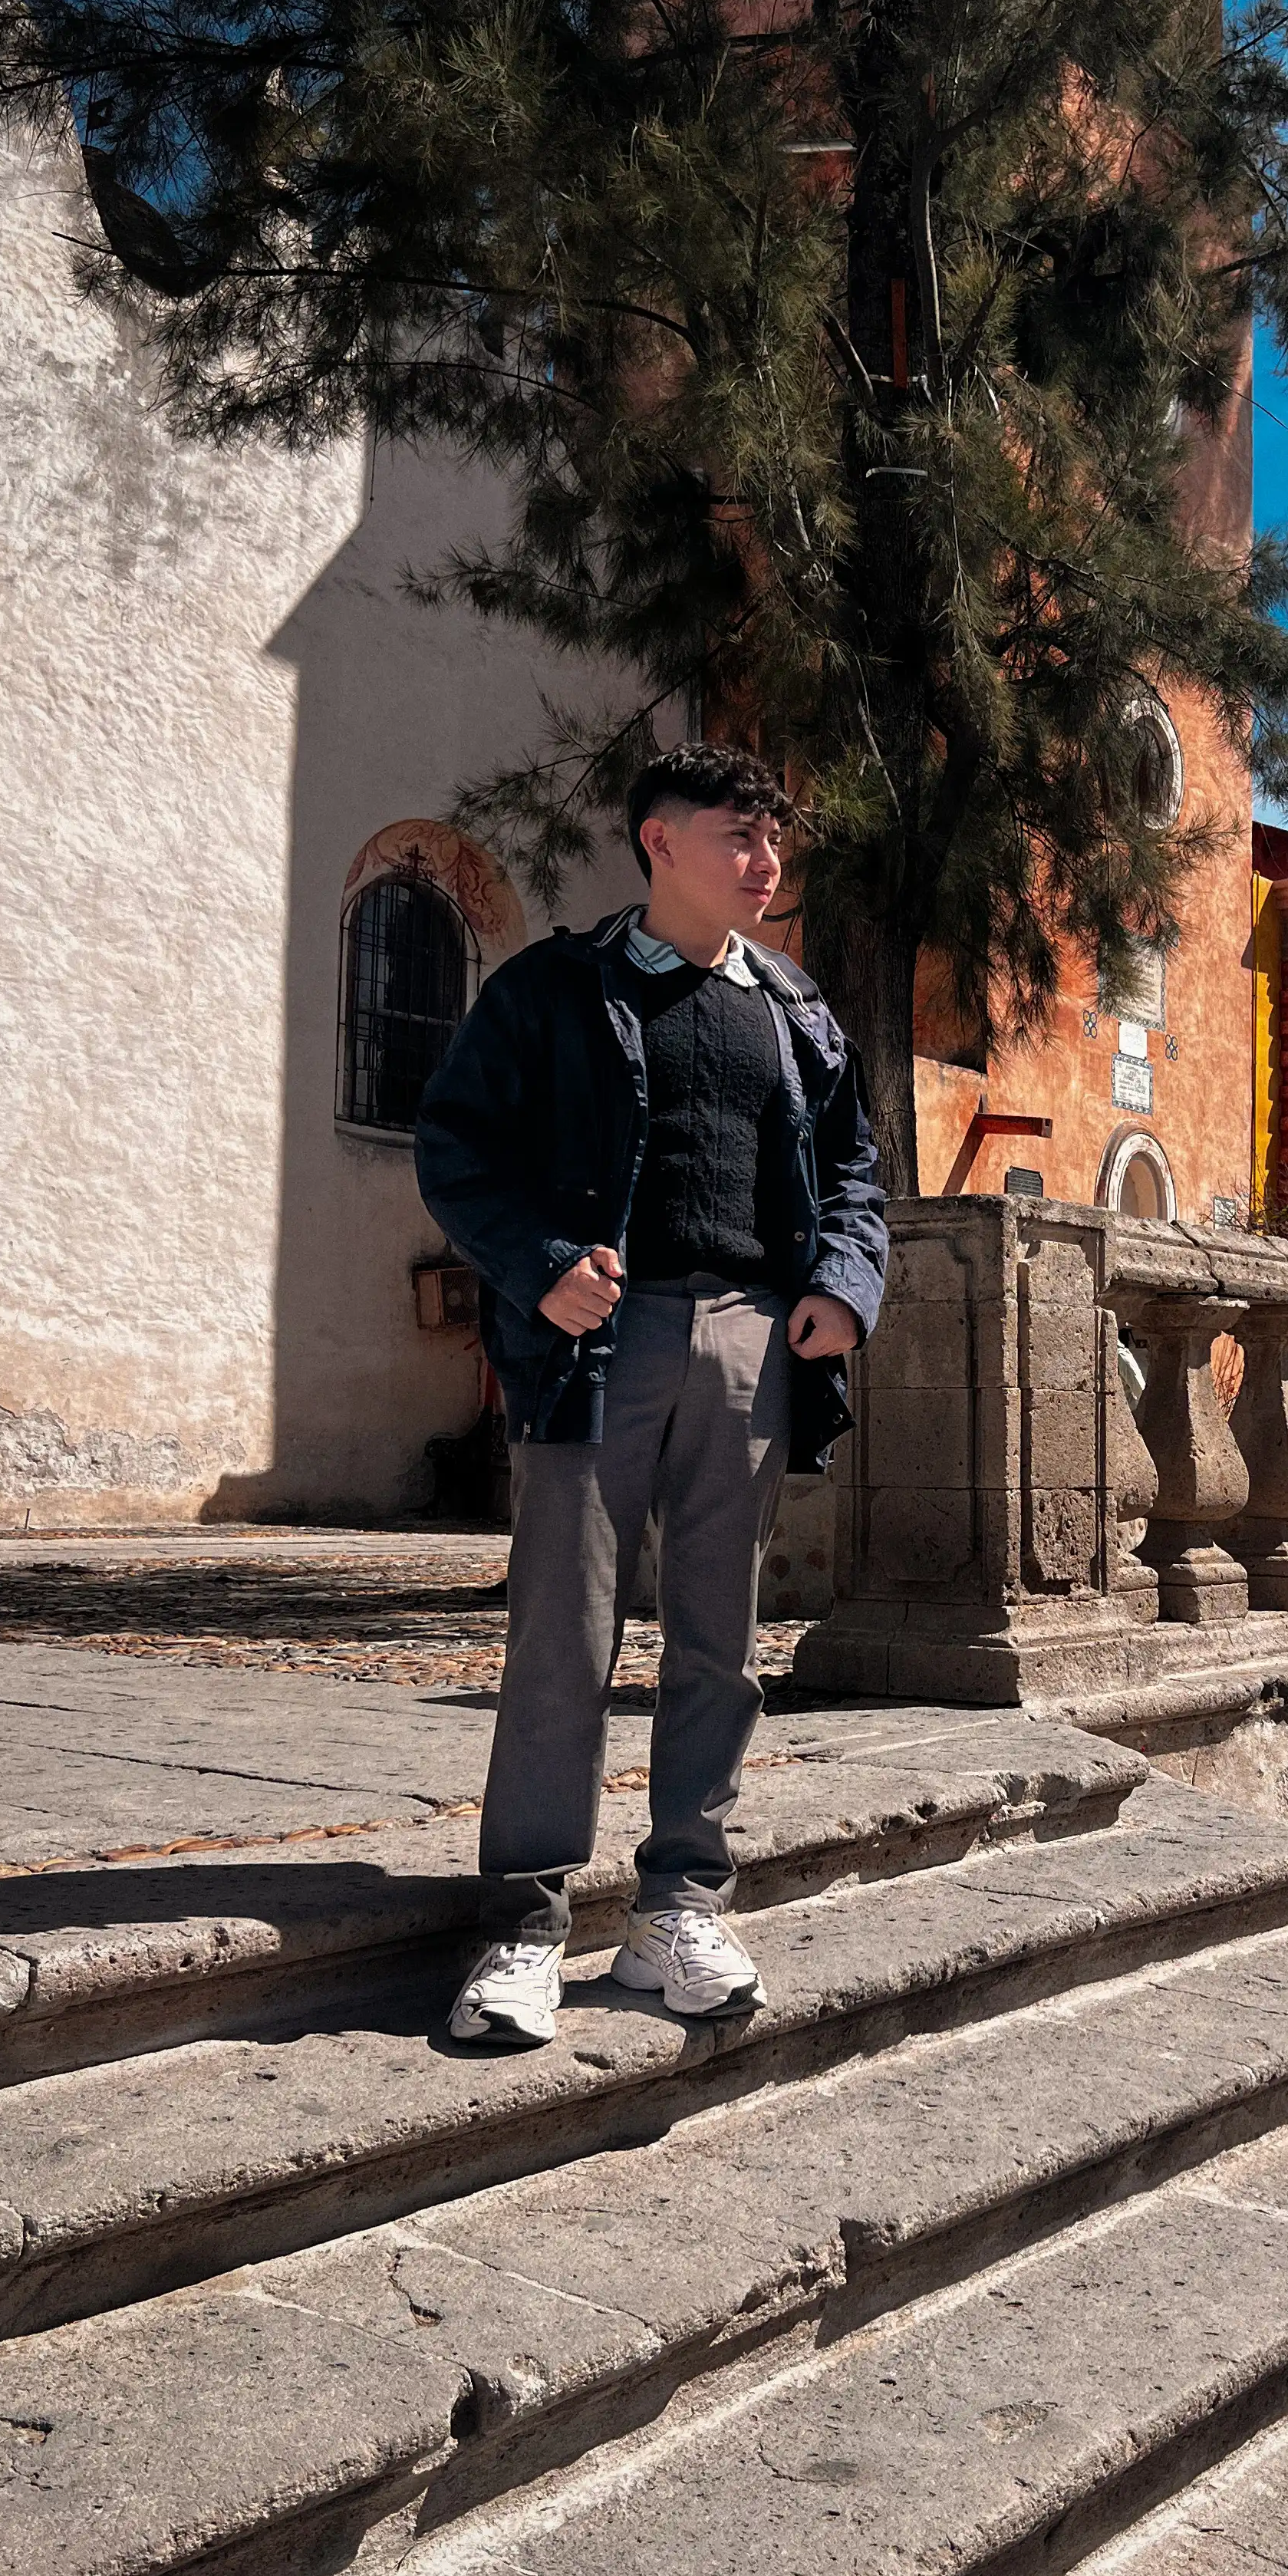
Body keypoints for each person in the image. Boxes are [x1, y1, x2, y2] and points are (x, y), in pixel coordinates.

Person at [413, 743, 886, 2043]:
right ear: (660, 842)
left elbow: (856, 1170)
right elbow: (455, 1148)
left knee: (719, 1645)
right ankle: (523, 1922)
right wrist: (539, 1268)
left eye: (774, 838)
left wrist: (844, 1287)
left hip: (749, 1347)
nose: (767, 861)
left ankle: (680, 1903)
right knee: (562, 1639)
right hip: (594, 1346)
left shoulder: (797, 1011)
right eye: (740, 835)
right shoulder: (554, 989)